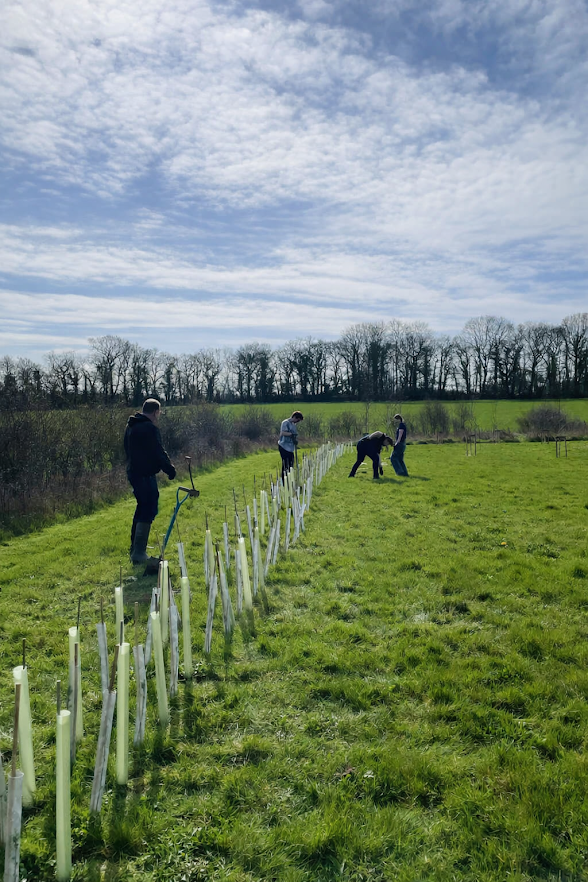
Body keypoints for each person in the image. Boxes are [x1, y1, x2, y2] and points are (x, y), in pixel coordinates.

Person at [124, 398, 176, 567]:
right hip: (144, 475)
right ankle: (139, 553)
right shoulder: (149, 428)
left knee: (142, 507)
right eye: (159, 413)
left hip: (134, 472)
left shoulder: (131, 426)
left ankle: (135, 549)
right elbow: (158, 452)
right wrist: (170, 469)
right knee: (148, 508)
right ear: (155, 412)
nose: (158, 416)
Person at [278, 411, 303, 477]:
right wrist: (291, 435)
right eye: (297, 420)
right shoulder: (285, 422)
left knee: (291, 463)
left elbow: (294, 435)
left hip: (290, 448)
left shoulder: (293, 425)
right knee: (286, 464)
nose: (297, 422)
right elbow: (282, 433)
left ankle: (289, 478)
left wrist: (295, 440)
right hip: (283, 446)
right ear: (294, 417)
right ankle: (284, 480)